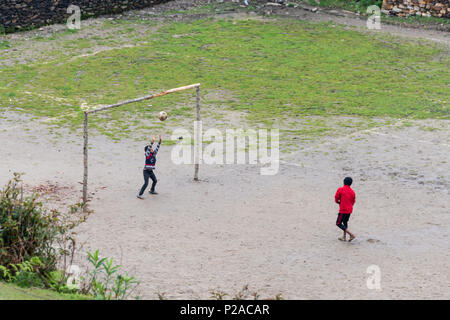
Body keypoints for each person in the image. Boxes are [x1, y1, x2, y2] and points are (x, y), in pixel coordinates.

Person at [137, 135, 161, 199]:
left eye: (152, 149)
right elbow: (150, 146)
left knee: (155, 180)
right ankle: (139, 194)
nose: (152, 149)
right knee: (146, 183)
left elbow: (158, 146)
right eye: (151, 149)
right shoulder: (147, 154)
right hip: (146, 171)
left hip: (151, 171)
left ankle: (152, 190)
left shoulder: (154, 154)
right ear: (148, 150)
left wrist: (160, 140)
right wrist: (153, 140)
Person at [335, 177, 356, 242]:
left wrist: (338, 202)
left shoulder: (340, 189)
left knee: (338, 223)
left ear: (343, 182)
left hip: (343, 209)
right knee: (345, 222)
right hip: (349, 210)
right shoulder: (352, 192)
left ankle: (351, 234)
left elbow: (336, 198)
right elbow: (353, 201)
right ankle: (344, 237)